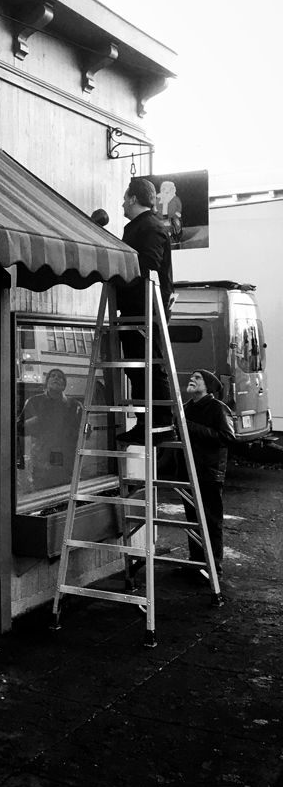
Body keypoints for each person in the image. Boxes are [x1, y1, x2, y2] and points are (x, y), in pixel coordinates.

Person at [116, 176, 174, 443]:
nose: (122, 204)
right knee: (137, 368)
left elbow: (149, 262)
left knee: (149, 366)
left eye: (124, 199)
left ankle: (161, 423)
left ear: (133, 198)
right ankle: (145, 422)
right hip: (136, 306)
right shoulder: (142, 226)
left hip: (146, 307)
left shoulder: (150, 227)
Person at [176, 369, 235, 580]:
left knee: (210, 522)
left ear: (208, 386)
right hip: (187, 473)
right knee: (193, 521)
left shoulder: (218, 408)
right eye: (192, 377)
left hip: (208, 474)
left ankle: (213, 568)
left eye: (197, 378)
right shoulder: (185, 408)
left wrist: (190, 427)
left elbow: (227, 437)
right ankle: (197, 564)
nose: (191, 379)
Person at [17, 368, 83, 490]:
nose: (56, 378)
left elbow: (84, 433)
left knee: (66, 493)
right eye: (53, 376)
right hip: (42, 462)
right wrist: (33, 422)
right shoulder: (34, 402)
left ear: (64, 385)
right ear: (46, 382)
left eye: (60, 377)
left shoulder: (75, 406)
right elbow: (19, 428)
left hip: (67, 462)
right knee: (42, 493)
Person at [156, 180, 183, 247]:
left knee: (176, 224)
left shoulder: (175, 199)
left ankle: (174, 236)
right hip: (160, 218)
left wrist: (176, 215)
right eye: (164, 189)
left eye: (169, 190)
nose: (166, 192)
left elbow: (179, 207)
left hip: (172, 218)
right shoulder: (158, 199)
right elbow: (155, 208)